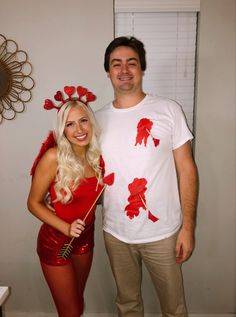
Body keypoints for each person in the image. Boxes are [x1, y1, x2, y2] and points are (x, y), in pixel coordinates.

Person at [95, 36, 199, 317]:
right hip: (116, 232)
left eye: (132, 63)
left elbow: (187, 169)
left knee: (174, 309)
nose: (124, 70)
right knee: (127, 305)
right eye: (116, 64)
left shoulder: (168, 110)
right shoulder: (95, 120)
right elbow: (92, 175)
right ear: (108, 71)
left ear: (142, 68)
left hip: (164, 233)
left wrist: (187, 228)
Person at [27, 86, 104, 317]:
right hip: (56, 241)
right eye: (70, 124)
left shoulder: (98, 156)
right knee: (69, 312)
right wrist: (65, 226)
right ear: (62, 129)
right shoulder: (53, 157)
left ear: (91, 123)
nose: (79, 129)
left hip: (85, 238)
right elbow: (33, 203)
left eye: (83, 121)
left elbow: (92, 197)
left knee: (77, 305)